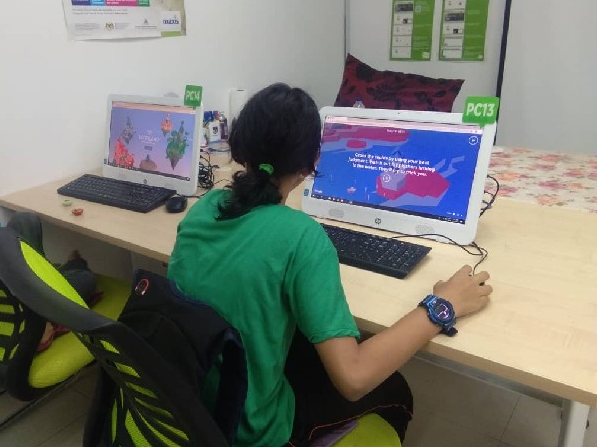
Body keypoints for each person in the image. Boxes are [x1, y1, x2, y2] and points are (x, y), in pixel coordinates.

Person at [166, 83, 493, 446]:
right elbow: (354, 379)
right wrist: (442, 306)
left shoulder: (205, 207)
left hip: (190, 404)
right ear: (312, 163)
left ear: (240, 145)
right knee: (396, 389)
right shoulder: (300, 236)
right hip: (252, 431)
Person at [0, 161, 97, 351]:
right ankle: (47, 318)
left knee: (24, 220)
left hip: (20, 285)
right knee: (85, 278)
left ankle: (59, 274)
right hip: (26, 307)